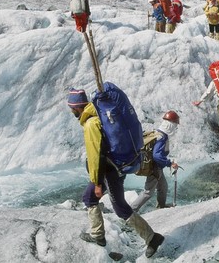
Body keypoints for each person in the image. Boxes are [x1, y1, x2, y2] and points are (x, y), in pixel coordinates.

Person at [67, 88, 164, 258]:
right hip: (115, 166)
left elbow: (95, 154)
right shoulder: (98, 115)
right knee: (106, 202)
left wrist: (97, 182)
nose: (71, 111)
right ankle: (102, 236)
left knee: (105, 203)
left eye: (71, 108)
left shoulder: (91, 124)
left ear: (77, 107)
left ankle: (149, 238)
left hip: (108, 170)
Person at [131, 111, 180, 211]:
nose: (175, 127)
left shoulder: (158, 133)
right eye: (175, 124)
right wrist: (170, 163)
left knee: (163, 187)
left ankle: (161, 207)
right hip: (154, 168)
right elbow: (157, 156)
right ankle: (130, 211)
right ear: (170, 125)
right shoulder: (162, 137)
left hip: (156, 167)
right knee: (148, 192)